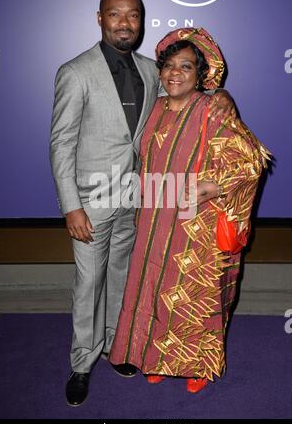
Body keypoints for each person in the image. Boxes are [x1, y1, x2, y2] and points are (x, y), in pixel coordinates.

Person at [50, 0, 235, 407]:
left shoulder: (153, 69)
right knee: (88, 282)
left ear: (141, 20)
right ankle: (81, 362)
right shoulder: (75, 72)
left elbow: (189, 92)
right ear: (100, 19)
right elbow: (60, 143)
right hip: (91, 203)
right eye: (115, 15)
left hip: (137, 200)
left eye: (132, 15)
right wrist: (71, 206)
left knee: (122, 276)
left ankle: (118, 347)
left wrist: (221, 95)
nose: (124, 23)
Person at [109, 27, 271, 393]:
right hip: (154, 220)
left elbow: (250, 163)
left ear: (200, 74)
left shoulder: (211, 111)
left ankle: (199, 365)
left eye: (185, 66)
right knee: (154, 289)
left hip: (195, 226)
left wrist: (212, 187)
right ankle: (155, 357)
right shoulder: (155, 108)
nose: (175, 73)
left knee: (193, 296)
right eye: (168, 65)